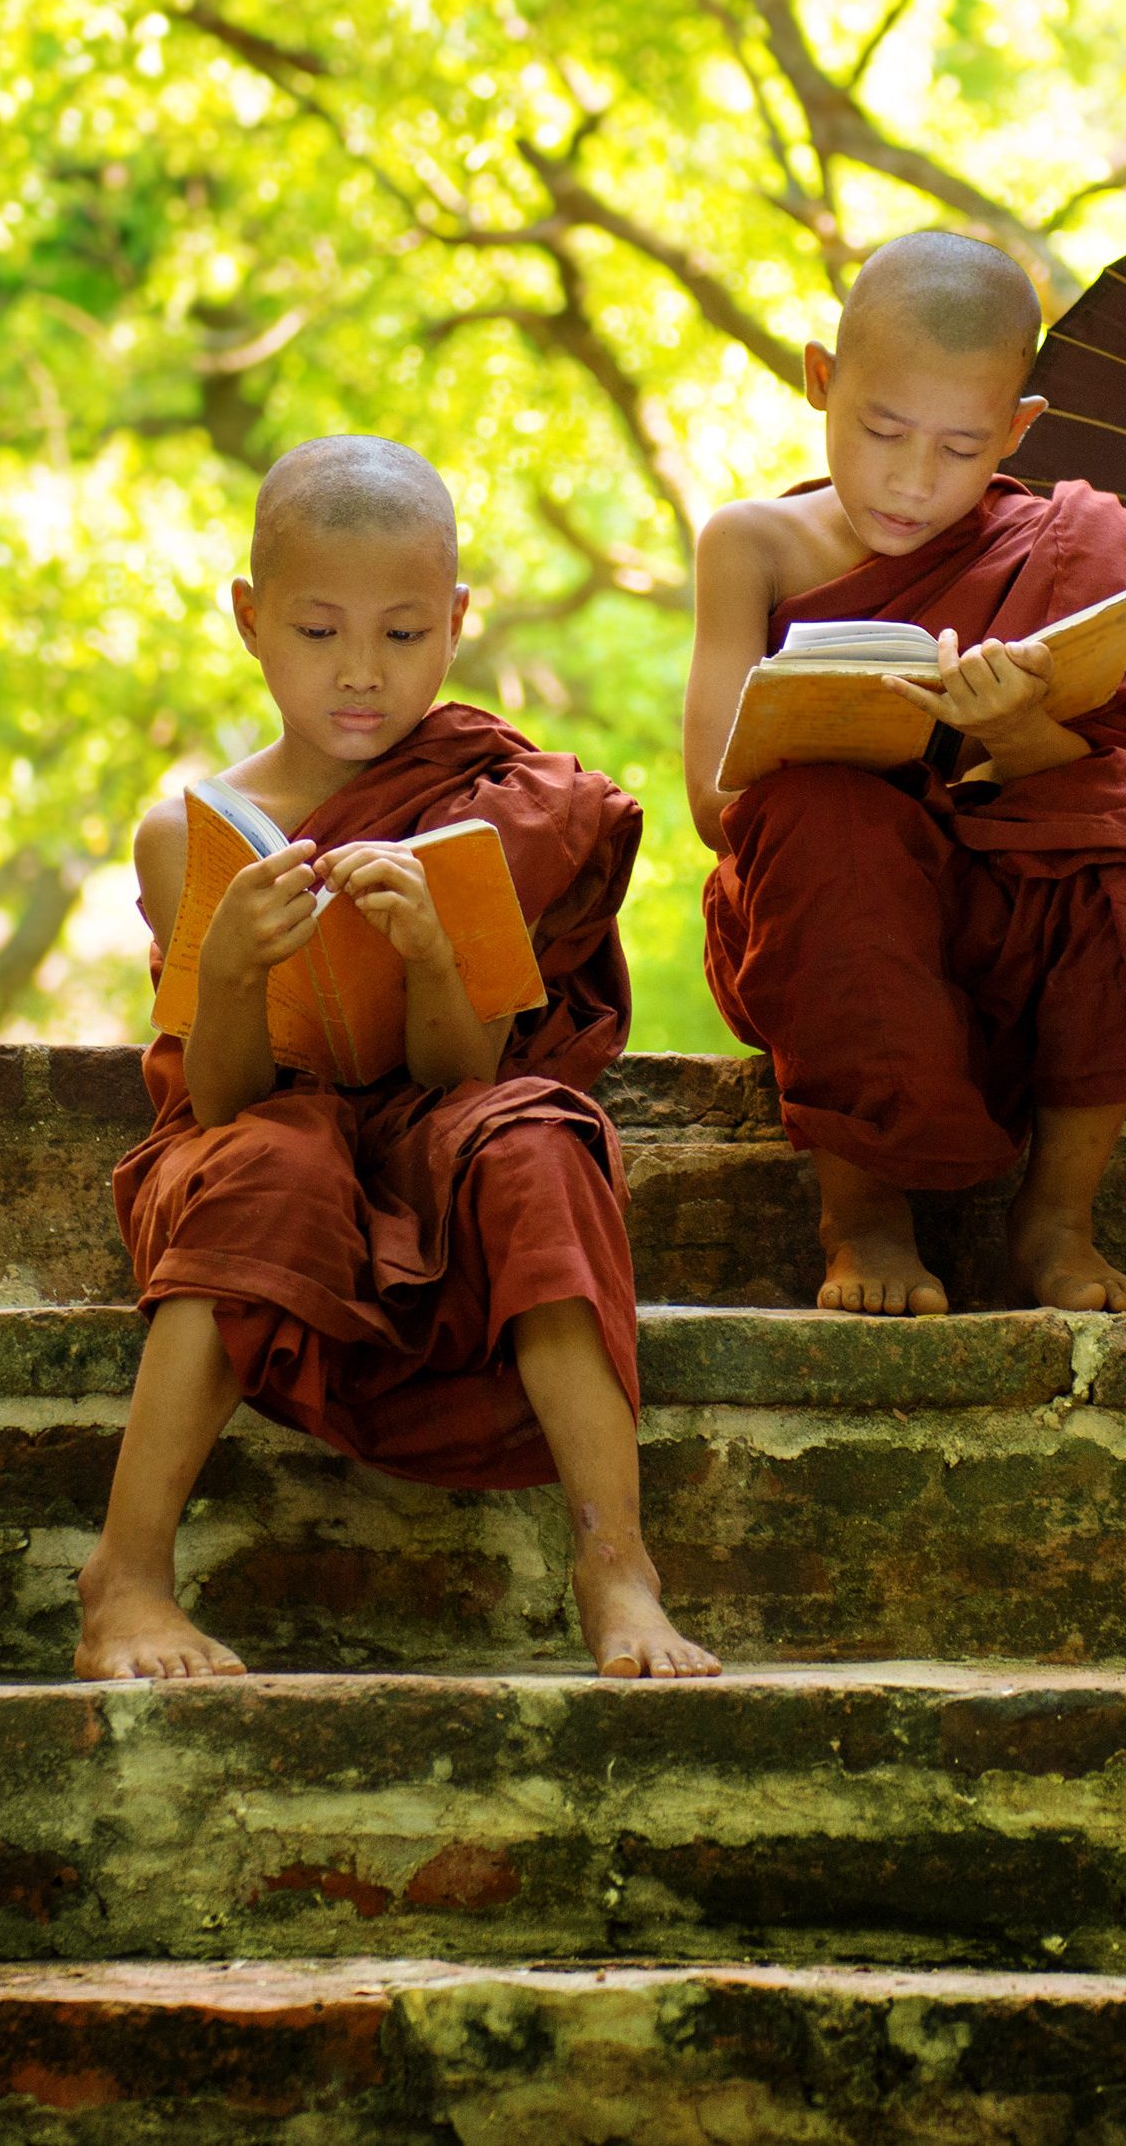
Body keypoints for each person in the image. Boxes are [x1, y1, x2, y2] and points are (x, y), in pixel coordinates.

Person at [81, 436, 716, 1684]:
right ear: (250, 621)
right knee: (278, 1157)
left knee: (535, 1138)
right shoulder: (189, 833)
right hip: (265, 1133)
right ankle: (127, 1576)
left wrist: (433, 953)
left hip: (437, 1125)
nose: (361, 675)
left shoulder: (484, 810)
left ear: (458, 624)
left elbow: (460, 1071)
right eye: (318, 635)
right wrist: (226, 972)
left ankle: (616, 1562)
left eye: (403, 634)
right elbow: (220, 1102)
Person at [682, 229, 1126, 1319]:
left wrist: (1021, 728)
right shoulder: (748, 544)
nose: (910, 478)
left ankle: (1053, 1224)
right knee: (819, 814)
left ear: (1015, 428)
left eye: (958, 448)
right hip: (828, 906)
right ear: (819, 380)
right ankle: (863, 1219)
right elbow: (717, 805)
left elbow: (1111, 773)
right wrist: (843, 731)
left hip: (1004, 911)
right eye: (880, 428)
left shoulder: (1062, 546)